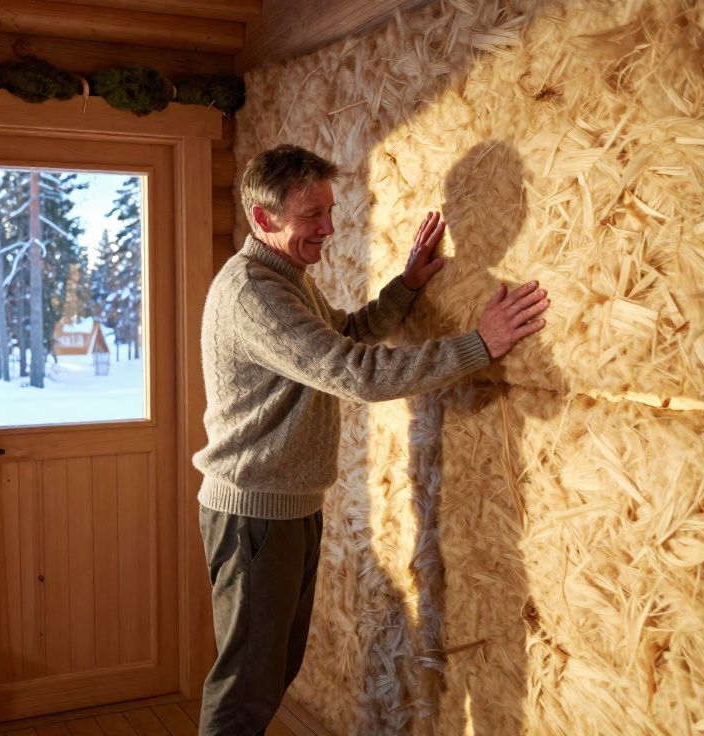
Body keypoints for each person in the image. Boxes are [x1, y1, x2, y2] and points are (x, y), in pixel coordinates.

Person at [191, 144, 549, 735]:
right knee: (244, 691)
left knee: (271, 673)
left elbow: (347, 335)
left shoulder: (285, 279)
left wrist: (405, 287)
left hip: (285, 508)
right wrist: (478, 345)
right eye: (312, 216)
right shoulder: (253, 295)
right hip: (253, 516)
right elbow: (355, 374)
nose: (328, 229)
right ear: (263, 219)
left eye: (330, 211)